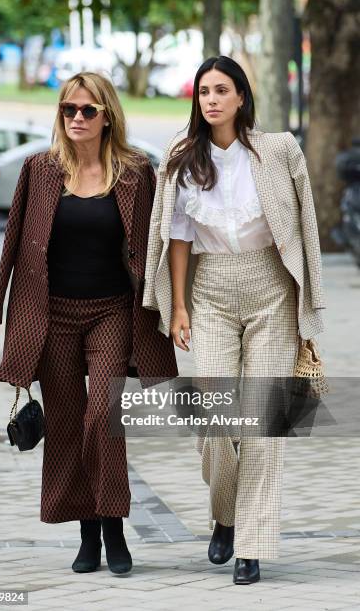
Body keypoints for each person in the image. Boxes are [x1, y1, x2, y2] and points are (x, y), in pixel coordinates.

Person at [0, 71, 177, 575]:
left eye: (86, 110)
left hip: (113, 309)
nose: (75, 118)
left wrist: (176, 305)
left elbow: (157, 244)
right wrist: (3, 307)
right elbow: (15, 242)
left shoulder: (137, 172)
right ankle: (87, 535)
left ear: (107, 115)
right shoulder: (40, 169)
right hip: (52, 314)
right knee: (67, 425)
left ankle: (114, 526)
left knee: (103, 416)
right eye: (68, 109)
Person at [143, 56, 325, 584]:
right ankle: (225, 513)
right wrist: (178, 305)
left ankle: (251, 542)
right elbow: (176, 237)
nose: (212, 100)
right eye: (204, 92)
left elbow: (307, 225)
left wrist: (309, 303)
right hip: (211, 292)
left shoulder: (279, 149)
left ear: (241, 97)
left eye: (222, 90)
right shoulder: (181, 157)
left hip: (272, 289)